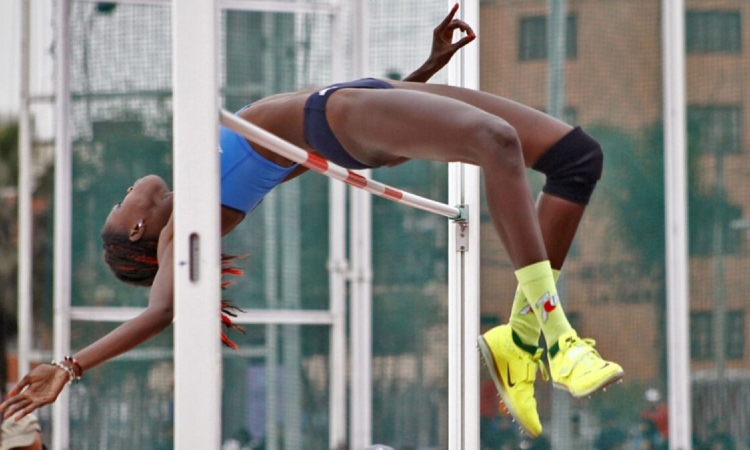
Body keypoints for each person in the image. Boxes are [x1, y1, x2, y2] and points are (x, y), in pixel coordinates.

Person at [0, 4, 621, 439]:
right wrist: (70, 365)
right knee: (496, 141)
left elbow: (304, 161)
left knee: (576, 160)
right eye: (119, 204)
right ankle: (552, 334)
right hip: (344, 115)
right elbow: (163, 310)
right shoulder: (181, 227)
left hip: (365, 102)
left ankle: (517, 341)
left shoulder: (211, 181)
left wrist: (422, 75)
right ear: (139, 230)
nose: (125, 192)